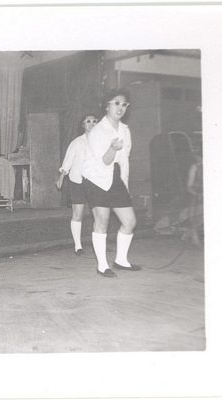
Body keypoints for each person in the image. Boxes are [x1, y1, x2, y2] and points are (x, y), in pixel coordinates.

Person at [82, 89, 141, 277]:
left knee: (130, 221)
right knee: (102, 220)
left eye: (124, 104)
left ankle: (121, 260)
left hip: (115, 177)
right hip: (96, 178)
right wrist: (113, 148)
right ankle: (102, 265)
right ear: (106, 105)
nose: (120, 107)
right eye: (116, 103)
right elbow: (105, 161)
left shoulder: (125, 130)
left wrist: (125, 184)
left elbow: (125, 161)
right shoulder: (98, 131)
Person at [56, 113, 99, 256]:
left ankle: (98, 244)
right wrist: (61, 177)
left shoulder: (102, 143)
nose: (91, 124)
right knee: (78, 214)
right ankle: (78, 246)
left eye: (94, 121)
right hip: (77, 181)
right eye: (88, 121)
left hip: (95, 182)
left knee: (99, 215)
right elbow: (67, 161)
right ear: (82, 125)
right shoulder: (76, 143)